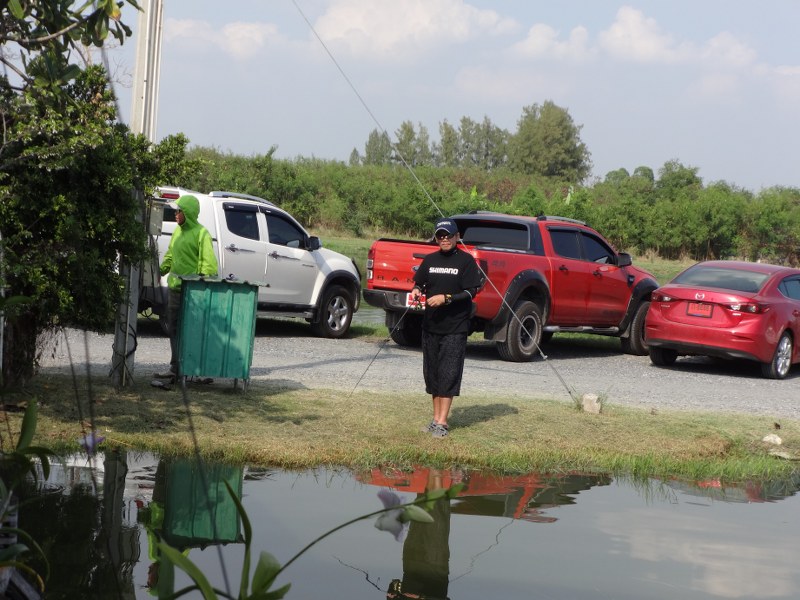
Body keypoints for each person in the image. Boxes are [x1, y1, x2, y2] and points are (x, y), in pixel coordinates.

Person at [410, 218, 483, 438]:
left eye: (448, 235)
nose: (444, 239)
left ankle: (443, 422)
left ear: (457, 237)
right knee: (432, 374)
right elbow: (418, 283)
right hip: (431, 325)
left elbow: (472, 292)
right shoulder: (430, 260)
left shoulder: (466, 261)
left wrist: (446, 298)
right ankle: (435, 420)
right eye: (440, 236)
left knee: (448, 373)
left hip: (455, 327)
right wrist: (415, 291)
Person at [154, 194, 218, 381]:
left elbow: (209, 266)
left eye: (178, 211)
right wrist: (159, 271)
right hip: (175, 290)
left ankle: (194, 371)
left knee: (192, 331)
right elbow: (170, 256)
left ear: (187, 213)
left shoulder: (201, 233)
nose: (175, 214)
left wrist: (199, 285)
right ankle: (175, 368)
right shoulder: (177, 232)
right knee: (173, 329)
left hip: (193, 293)